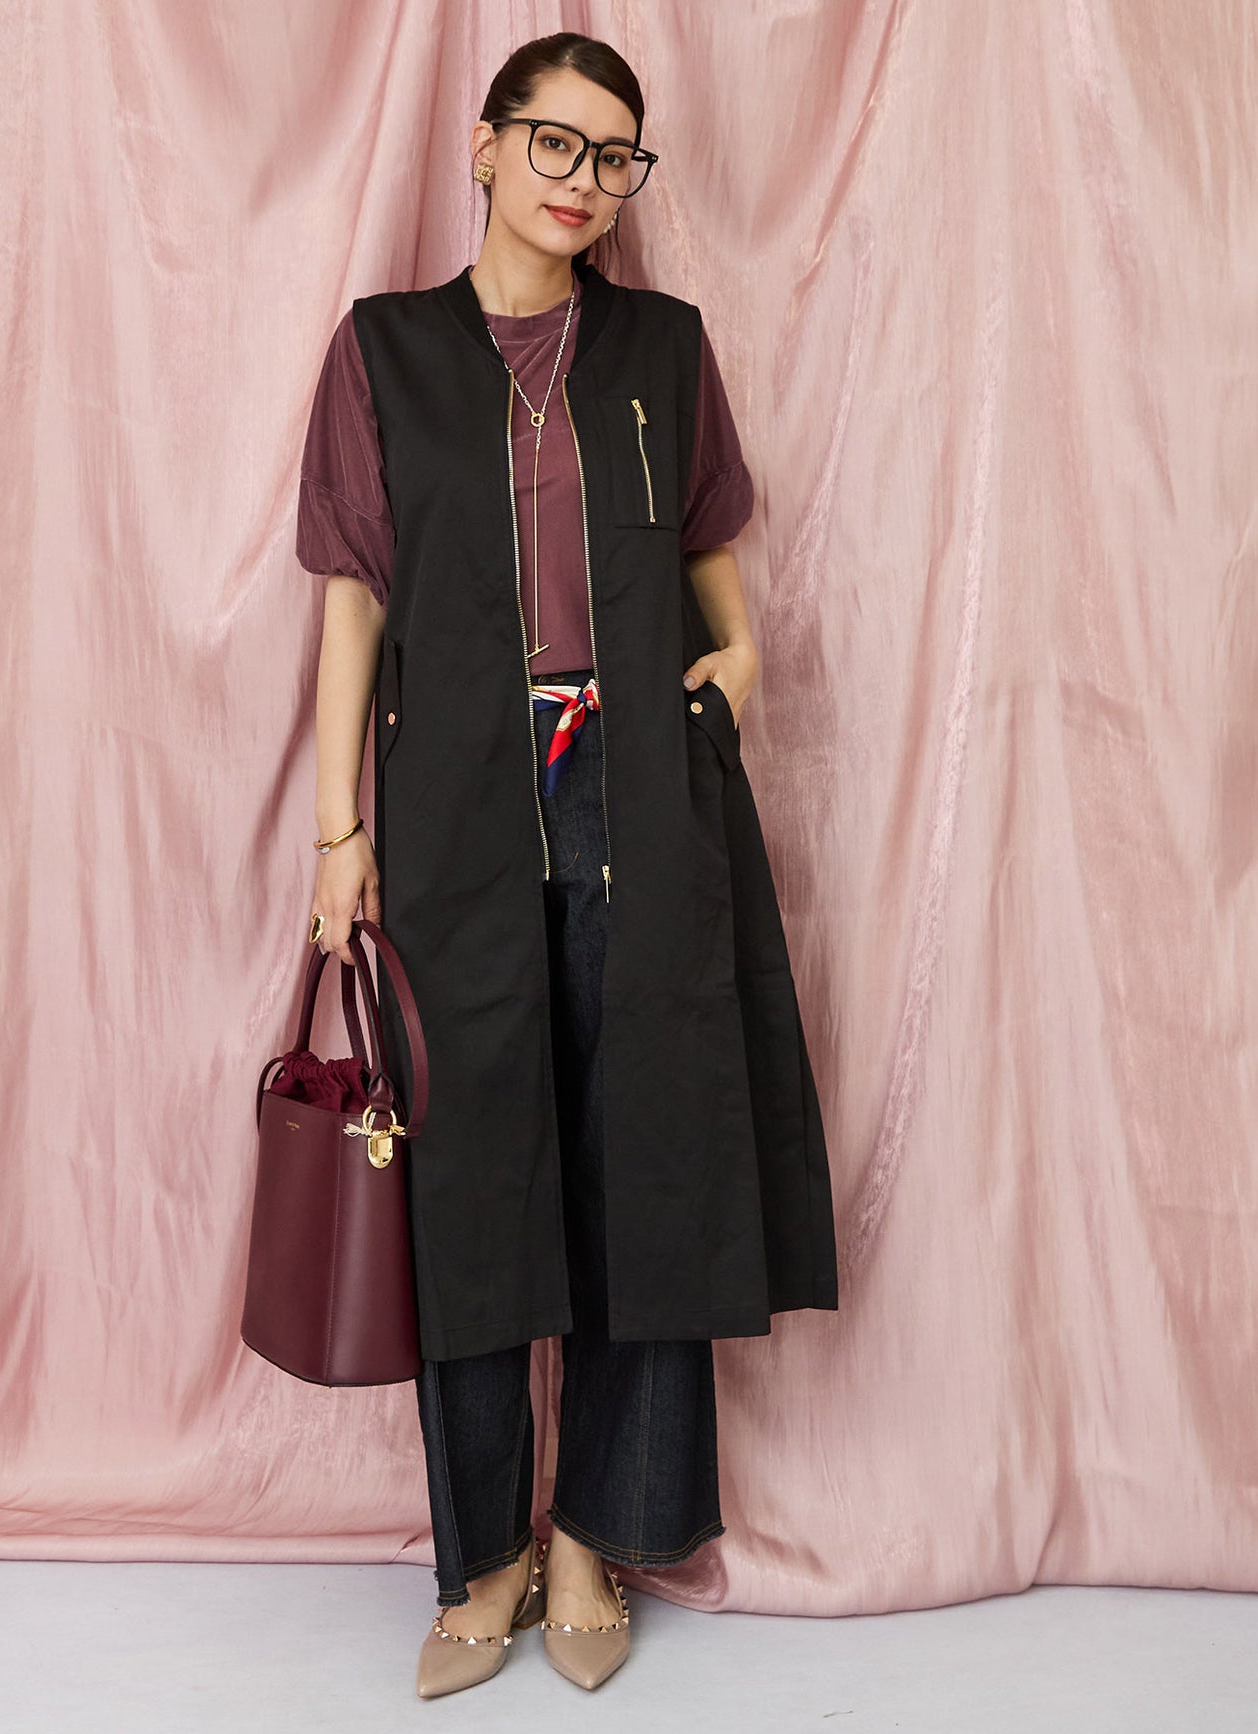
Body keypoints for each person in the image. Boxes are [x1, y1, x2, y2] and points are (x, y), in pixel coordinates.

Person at [296, 31, 838, 1699]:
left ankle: (604, 1530)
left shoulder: (662, 347)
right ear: (482, 145)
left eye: (613, 156)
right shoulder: (386, 349)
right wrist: (338, 831)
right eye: (554, 141)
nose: (583, 180)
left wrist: (739, 655)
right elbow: (353, 596)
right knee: (467, 1174)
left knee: (644, 1154)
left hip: (641, 792)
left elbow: (710, 537)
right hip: (456, 798)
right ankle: (485, 1556)